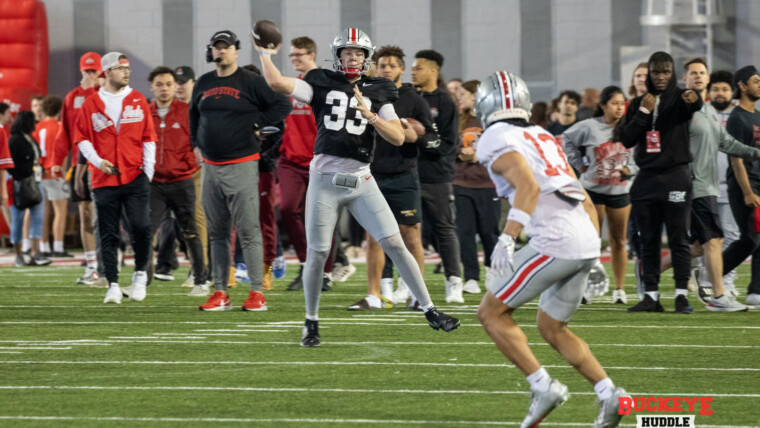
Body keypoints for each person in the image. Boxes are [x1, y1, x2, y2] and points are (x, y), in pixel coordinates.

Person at [258, 27, 460, 346]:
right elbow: (276, 83)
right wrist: (264, 54)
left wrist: (373, 118)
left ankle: (430, 309)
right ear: (337, 57)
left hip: (363, 179)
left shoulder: (379, 89)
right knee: (319, 252)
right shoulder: (321, 80)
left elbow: (396, 135)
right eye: (347, 53)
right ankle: (311, 322)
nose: (352, 57)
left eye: (358, 53)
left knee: (395, 242)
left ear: (367, 58)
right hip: (325, 179)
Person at [474, 70, 629, 427]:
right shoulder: (541, 133)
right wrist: (595, 254)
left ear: (486, 105)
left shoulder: (493, 137)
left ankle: (542, 385)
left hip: (555, 240)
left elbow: (527, 186)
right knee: (552, 327)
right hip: (584, 237)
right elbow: (581, 194)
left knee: (490, 313)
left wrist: (508, 236)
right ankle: (610, 394)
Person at [190, 30, 291, 311]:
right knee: (217, 233)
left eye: (226, 47)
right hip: (211, 167)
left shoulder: (251, 81)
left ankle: (257, 292)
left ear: (236, 51)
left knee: (248, 231)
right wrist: (194, 144)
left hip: (242, 164)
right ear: (211, 51)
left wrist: (257, 125)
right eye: (216, 47)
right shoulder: (204, 81)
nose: (221, 51)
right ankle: (220, 292)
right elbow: (193, 114)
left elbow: (282, 104)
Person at [658, 59, 755, 312]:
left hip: (709, 186)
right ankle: (718, 296)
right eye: (693, 73)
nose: (698, 77)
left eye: (702, 73)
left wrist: (756, 152)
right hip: (691, 185)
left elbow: (727, 143)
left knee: (699, 246)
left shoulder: (710, 111)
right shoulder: (679, 110)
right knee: (715, 239)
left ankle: (649, 268)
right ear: (684, 78)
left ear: (708, 78)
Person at [351, 45, 438, 310]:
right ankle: (374, 295)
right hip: (371, 172)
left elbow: (433, 137)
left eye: (391, 65)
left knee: (411, 234)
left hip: (403, 174)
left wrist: (416, 136)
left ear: (402, 69)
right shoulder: (365, 95)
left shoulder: (415, 100)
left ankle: (418, 296)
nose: (385, 69)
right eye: (381, 65)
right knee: (374, 235)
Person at [622, 51, 702, 313]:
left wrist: (695, 97)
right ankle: (651, 297)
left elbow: (694, 104)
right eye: (656, 72)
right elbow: (627, 139)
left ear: (672, 73)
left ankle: (681, 295)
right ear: (648, 74)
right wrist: (643, 113)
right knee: (649, 241)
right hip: (646, 180)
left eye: (666, 72)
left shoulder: (680, 98)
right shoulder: (636, 104)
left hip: (676, 177)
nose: (660, 77)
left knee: (679, 239)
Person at [75, 52, 156, 304]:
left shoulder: (138, 99)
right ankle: (112, 283)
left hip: (135, 176)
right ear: (107, 72)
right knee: (107, 233)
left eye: (128, 67)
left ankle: (140, 276)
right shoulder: (90, 104)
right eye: (121, 68)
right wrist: (98, 162)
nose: (127, 71)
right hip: (103, 179)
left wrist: (148, 174)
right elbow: (82, 138)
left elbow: (148, 138)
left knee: (141, 227)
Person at [277, 36, 340, 292]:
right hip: (290, 159)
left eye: (299, 55)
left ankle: (325, 272)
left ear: (312, 54)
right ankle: (306, 264)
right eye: (292, 55)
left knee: (324, 216)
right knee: (288, 208)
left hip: (322, 159)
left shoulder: (326, 83)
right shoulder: (289, 85)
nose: (294, 59)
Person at [563, 86, 635, 304]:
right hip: (593, 191)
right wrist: (580, 165)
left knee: (619, 240)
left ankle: (619, 289)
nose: (619, 107)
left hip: (620, 191)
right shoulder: (588, 126)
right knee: (591, 241)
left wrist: (631, 170)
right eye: (614, 103)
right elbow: (566, 140)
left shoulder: (630, 127)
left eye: (622, 103)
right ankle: (586, 287)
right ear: (603, 105)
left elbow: (639, 153)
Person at [144, 66, 208, 297]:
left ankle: (201, 279)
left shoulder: (187, 110)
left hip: (182, 180)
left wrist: (188, 162)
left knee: (191, 231)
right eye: (159, 84)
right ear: (151, 86)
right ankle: (142, 278)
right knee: (145, 230)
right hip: (154, 183)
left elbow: (199, 140)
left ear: (175, 87)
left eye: (169, 84)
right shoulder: (143, 111)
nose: (164, 89)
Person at [412, 49, 464, 303]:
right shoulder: (407, 96)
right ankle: (406, 284)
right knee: (407, 232)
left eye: (419, 67)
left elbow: (448, 144)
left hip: (437, 176)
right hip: (409, 174)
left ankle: (454, 281)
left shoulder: (445, 101)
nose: (413, 71)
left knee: (444, 229)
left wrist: (419, 139)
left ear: (434, 70)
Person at [51, 52, 104, 287]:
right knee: (85, 213)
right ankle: (92, 266)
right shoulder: (72, 97)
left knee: (101, 216)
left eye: (94, 71)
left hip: (102, 164)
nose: (90, 75)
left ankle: (107, 260)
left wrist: (95, 90)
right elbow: (64, 133)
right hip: (79, 165)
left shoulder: (103, 95)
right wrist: (55, 160)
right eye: (87, 71)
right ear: (81, 71)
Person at [453, 80, 499, 295]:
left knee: (489, 232)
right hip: (461, 182)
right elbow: (449, 145)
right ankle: (471, 276)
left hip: (488, 183)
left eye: (463, 94)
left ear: (475, 95)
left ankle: (492, 270)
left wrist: (479, 154)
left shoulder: (490, 119)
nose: (459, 97)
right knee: (465, 232)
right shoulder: (458, 120)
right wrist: (460, 153)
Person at [721, 65, 760, 306]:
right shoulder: (736, 118)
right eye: (756, 81)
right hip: (743, 185)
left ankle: (756, 291)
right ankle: (712, 275)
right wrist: (747, 191)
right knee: (749, 239)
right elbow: (735, 159)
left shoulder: (757, 115)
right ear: (743, 86)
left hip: (759, 183)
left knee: (759, 238)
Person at [710, 70, 740, 297]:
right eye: (716, 89)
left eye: (724, 89)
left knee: (732, 236)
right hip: (704, 187)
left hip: (733, 187)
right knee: (705, 240)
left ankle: (726, 282)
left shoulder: (740, 116)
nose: (720, 93)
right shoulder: (700, 114)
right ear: (709, 92)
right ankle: (706, 280)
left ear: (733, 92)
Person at [8, 111, 51, 267]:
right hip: (19, 184)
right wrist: (21, 175)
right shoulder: (15, 140)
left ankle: (35, 252)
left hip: (35, 182)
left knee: (38, 218)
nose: (36, 123)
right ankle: (19, 254)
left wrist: (38, 169)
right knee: (17, 220)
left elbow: (35, 159)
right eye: (33, 121)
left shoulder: (30, 138)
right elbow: (8, 164)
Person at [34, 96, 71, 258]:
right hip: (55, 173)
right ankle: (58, 246)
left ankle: (43, 247)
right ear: (59, 111)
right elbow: (63, 153)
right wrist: (62, 173)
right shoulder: (60, 127)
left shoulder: (37, 127)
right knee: (60, 211)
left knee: (43, 212)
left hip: (40, 173)